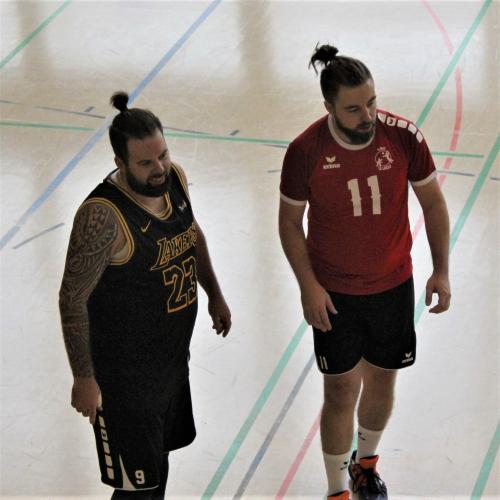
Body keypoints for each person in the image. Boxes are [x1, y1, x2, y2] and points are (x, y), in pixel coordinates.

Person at [278, 45, 450, 500]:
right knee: (339, 392)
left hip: (392, 286)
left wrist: (441, 270)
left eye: (371, 102)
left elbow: (433, 203)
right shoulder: (305, 151)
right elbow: (289, 223)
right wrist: (308, 286)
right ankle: (336, 490)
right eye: (353, 109)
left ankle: (366, 466)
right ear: (329, 107)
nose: (367, 115)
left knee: (382, 380)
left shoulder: (403, 137)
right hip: (334, 294)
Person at [59, 92, 231, 499]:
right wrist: (84, 378)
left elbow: (192, 233)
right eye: (146, 163)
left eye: (163, 155)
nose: (159, 169)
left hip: (170, 364)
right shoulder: (102, 217)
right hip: (124, 381)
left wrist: (214, 293)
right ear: (119, 162)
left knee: (157, 469)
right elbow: (72, 299)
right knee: (135, 489)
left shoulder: (175, 180)